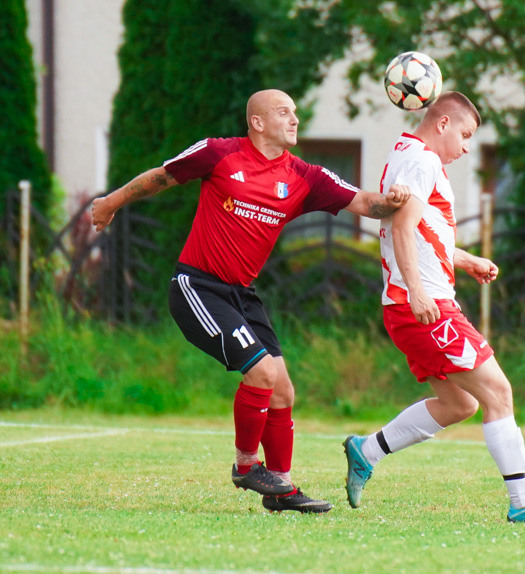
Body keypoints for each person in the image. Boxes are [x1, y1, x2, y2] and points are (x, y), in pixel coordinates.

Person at [92, 89, 411, 514]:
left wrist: (393, 200)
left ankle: (281, 487)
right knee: (261, 373)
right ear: (257, 122)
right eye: (284, 112)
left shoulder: (305, 176)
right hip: (197, 287)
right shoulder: (220, 154)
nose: (295, 119)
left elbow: (366, 203)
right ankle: (246, 466)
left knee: (282, 388)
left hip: (243, 294)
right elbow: (162, 176)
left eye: (296, 113)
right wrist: (110, 202)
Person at [342, 92, 525, 524]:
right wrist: (416, 290)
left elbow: (422, 231)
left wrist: (466, 261)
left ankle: (366, 450)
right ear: (443, 123)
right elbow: (402, 227)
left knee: (459, 405)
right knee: (498, 393)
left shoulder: (405, 152)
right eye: (465, 135)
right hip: (422, 305)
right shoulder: (424, 161)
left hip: (408, 306)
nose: (466, 147)